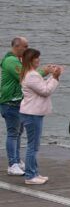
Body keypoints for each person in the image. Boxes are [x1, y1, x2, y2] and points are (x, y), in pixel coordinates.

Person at [18, 49, 61, 185]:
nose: (39, 60)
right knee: (33, 146)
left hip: (31, 113)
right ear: (31, 59)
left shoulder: (30, 74)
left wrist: (51, 77)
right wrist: (54, 77)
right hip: (32, 114)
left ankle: (34, 172)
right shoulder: (32, 75)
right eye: (37, 58)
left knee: (34, 145)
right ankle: (31, 175)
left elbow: (42, 87)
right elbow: (46, 91)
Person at [1, 36, 29, 176]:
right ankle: (12, 164)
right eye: (25, 46)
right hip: (10, 103)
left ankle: (17, 160)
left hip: (18, 103)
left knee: (18, 133)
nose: (27, 49)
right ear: (17, 46)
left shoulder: (18, 60)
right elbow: (24, 77)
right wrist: (45, 72)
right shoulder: (11, 61)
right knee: (13, 133)